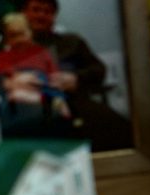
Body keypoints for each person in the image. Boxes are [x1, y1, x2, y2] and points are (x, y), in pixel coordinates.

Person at [19, 0, 131, 150]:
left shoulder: (71, 42)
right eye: (36, 10)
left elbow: (99, 70)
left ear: (54, 16)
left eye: (47, 12)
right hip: (29, 111)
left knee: (123, 131)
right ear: (23, 13)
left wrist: (76, 78)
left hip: (76, 104)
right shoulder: (9, 48)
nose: (41, 15)